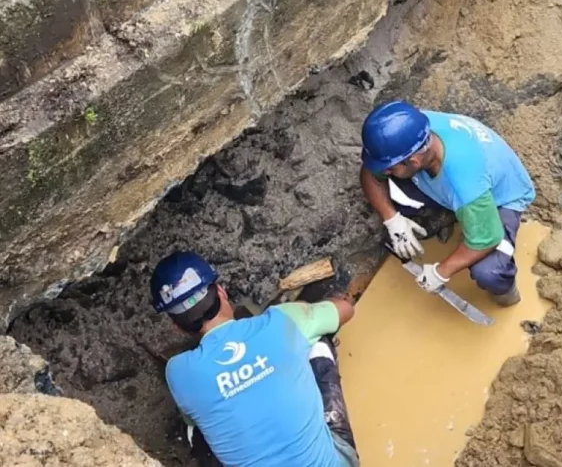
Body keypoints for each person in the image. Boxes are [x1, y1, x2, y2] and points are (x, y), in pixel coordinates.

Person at [150, 251, 359, 467]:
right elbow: (345, 310)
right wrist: (319, 307)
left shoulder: (178, 373)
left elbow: (193, 419)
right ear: (221, 291)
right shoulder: (282, 320)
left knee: (200, 428)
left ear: (177, 325)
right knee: (313, 339)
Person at [359, 100, 536, 306]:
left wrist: (440, 272)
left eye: (389, 168)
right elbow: (369, 173)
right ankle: (449, 214)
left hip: (501, 199)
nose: (385, 172)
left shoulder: (463, 183)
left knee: (489, 271)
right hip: (461, 188)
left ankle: (507, 296)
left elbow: (487, 239)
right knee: (397, 196)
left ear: (414, 161)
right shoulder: (408, 133)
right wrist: (392, 219)